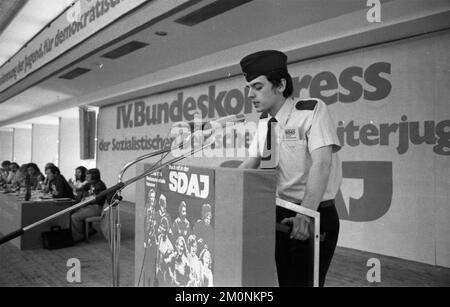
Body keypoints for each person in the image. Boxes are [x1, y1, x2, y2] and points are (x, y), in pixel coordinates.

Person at [238, 50, 342, 287]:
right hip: (280, 212)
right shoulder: (265, 122)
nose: (251, 95)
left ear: (281, 84)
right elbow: (249, 165)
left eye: (257, 87)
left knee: (304, 283)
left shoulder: (311, 110)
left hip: (313, 213)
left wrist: (305, 214)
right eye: (249, 88)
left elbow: (322, 163)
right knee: (286, 281)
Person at [70, 168, 107, 242]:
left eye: (88, 176)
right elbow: (80, 189)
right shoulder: (91, 183)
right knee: (73, 211)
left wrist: (86, 200)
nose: (85, 178)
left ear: (94, 177)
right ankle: (88, 230)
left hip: (98, 208)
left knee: (74, 217)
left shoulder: (100, 186)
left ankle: (78, 237)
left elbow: (97, 200)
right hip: (92, 206)